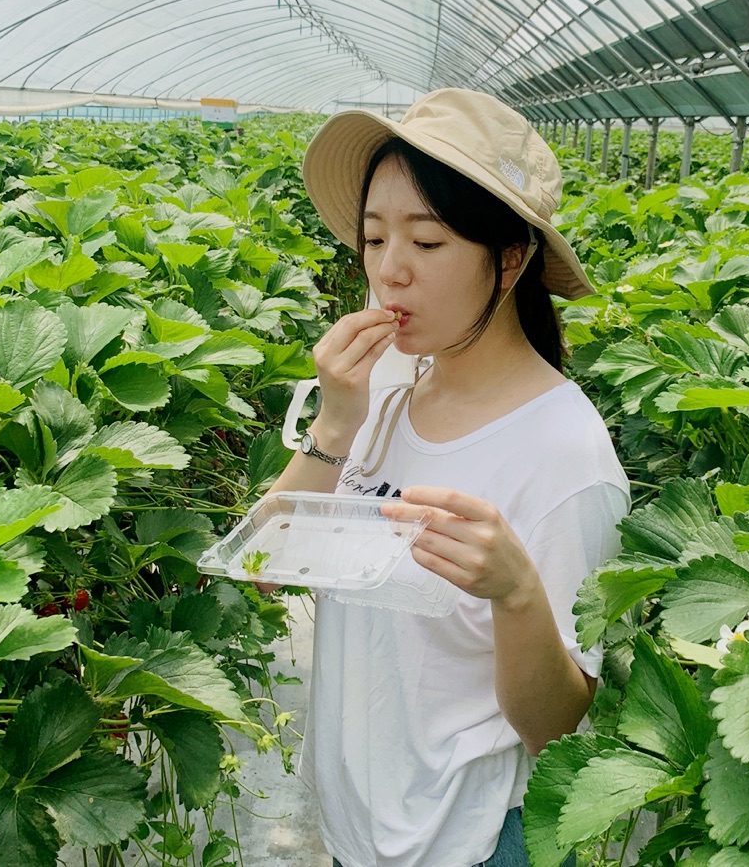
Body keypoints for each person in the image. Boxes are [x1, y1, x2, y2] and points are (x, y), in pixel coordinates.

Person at [267, 88, 630, 867]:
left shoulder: (564, 452)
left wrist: (516, 592)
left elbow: (558, 731)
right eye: (372, 238)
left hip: (468, 841)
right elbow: (265, 566)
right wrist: (334, 423)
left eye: (426, 244)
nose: (389, 271)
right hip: (356, 826)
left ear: (509, 258)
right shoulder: (381, 392)